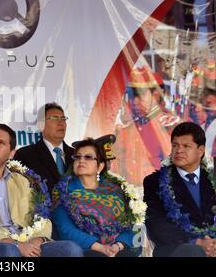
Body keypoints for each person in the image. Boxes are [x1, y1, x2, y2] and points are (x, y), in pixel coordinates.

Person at [0, 124, 83, 257]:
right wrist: (14, 244)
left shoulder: (24, 180)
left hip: (27, 242)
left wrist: (38, 240)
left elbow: (42, 216)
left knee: (71, 250)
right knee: (9, 252)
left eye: (1, 142)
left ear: (12, 153)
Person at [52, 137, 144, 257]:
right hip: (87, 249)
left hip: (118, 248)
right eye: (77, 157)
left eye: (88, 157)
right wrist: (100, 247)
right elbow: (66, 230)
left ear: (100, 166)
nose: (81, 160)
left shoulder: (115, 191)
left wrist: (118, 246)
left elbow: (132, 225)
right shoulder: (63, 191)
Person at [143, 122, 216, 257]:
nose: (179, 150)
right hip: (176, 249)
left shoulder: (212, 179)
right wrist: (198, 242)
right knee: (194, 251)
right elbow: (157, 225)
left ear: (200, 151)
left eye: (186, 146)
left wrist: (212, 245)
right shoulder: (154, 182)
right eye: (175, 145)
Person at [114, 65, 180, 185]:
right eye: (132, 95)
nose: (134, 102)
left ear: (155, 95)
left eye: (140, 95)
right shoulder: (126, 129)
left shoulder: (171, 127)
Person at [13, 103, 74, 193]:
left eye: (63, 118)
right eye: (55, 118)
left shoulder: (76, 155)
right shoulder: (25, 155)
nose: (61, 123)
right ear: (41, 124)